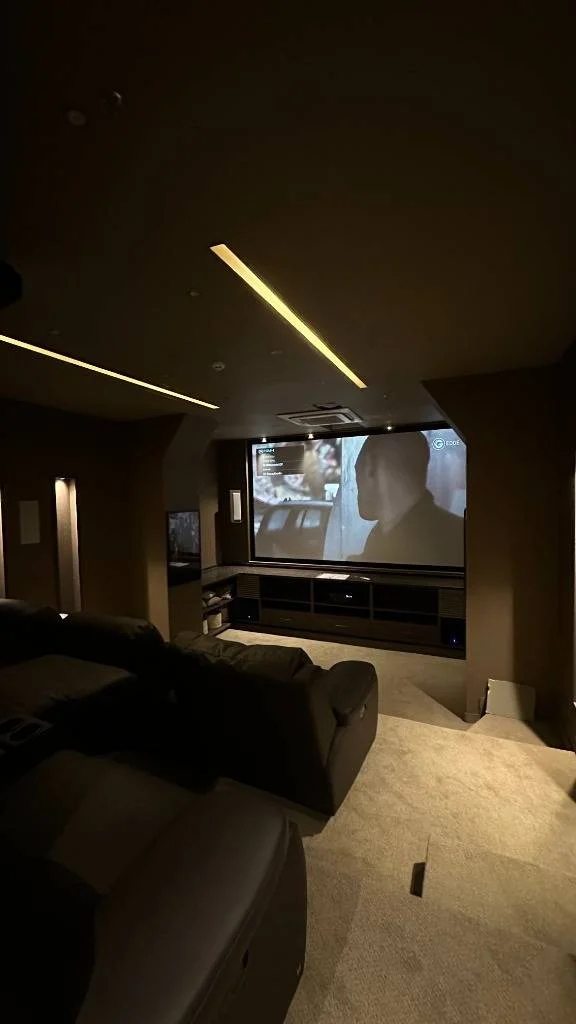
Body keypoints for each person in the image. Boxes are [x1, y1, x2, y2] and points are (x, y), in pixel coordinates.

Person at [353, 432, 464, 565]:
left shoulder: (459, 538)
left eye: (357, 476)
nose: (357, 491)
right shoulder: (462, 535)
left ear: (370, 468)